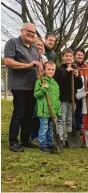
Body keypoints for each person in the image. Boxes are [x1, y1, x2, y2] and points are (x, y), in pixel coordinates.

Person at [4, 22, 42, 152]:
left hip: (32, 86)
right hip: (19, 85)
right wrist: (29, 64)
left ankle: (25, 140)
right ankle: (13, 141)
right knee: (19, 114)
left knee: (29, 114)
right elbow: (7, 61)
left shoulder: (35, 48)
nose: (31, 34)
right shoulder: (12, 43)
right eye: (29, 31)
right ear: (22, 30)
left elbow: (38, 65)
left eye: (33, 32)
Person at [54, 48, 83, 146]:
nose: (68, 58)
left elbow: (79, 85)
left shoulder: (75, 69)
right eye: (66, 56)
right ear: (62, 57)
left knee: (70, 119)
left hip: (72, 99)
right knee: (61, 118)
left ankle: (68, 138)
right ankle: (60, 138)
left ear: (73, 58)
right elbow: (58, 81)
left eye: (70, 56)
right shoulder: (59, 69)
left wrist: (77, 76)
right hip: (63, 98)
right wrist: (66, 71)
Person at [34, 61, 60, 153]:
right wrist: (44, 88)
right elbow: (36, 95)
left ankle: (50, 143)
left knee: (50, 129)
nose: (51, 71)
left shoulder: (55, 84)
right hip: (44, 110)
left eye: (53, 69)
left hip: (52, 111)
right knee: (44, 128)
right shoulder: (40, 82)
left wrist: (58, 110)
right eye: (48, 69)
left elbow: (57, 98)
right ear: (44, 70)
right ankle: (43, 145)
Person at [74, 47, 88, 134]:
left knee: (82, 110)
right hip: (74, 91)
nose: (80, 56)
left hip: (84, 91)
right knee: (75, 110)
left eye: (81, 55)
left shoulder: (87, 67)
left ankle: (81, 126)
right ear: (75, 55)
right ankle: (74, 127)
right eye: (78, 55)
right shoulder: (72, 65)